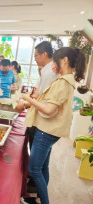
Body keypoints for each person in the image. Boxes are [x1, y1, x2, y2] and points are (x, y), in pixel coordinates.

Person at [22, 47, 86, 204]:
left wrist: (28, 99)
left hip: (46, 130)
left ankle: (44, 201)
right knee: (43, 167)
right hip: (50, 131)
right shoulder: (67, 80)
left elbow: (49, 110)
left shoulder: (63, 82)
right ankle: (39, 199)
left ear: (64, 60)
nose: (53, 66)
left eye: (55, 62)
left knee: (34, 169)